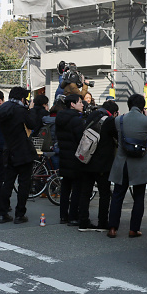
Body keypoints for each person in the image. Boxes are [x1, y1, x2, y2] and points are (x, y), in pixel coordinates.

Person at [107, 93, 147, 238]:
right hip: (139, 163)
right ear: (142, 107)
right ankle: (133, 229)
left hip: (122, 163)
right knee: (139, 197)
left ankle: (112, 228)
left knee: (117, 196)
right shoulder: (146, 121)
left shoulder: (119, 120)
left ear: (129, 105)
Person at [0, 86, 38, 224]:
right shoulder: (21, 110)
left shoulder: (2, 109)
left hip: (9, 150)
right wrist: (31, 110)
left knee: (7, 183)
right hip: (23, 152)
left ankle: (2, 214)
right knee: (24, 184)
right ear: (22, 98)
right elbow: (32, 124)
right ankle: (20, 214)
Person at [77, 100, 119, 232]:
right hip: (102, 164)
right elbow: (117, 137)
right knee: (104, 194)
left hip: (87, 160)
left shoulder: (91, 116)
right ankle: (102, 223)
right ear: (114, 112)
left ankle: (83, 222)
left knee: (85, 193)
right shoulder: (110, 121)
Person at [55, 93, 86, 225]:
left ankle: (63, 216)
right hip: (75, 157)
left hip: (64, 156)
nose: (82, 104)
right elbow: (82, 140)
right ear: (72, 104)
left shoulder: (60, 118)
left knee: (65, 187)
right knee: (77, 188)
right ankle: (73, 216)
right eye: (80, 102)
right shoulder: (76, 120)